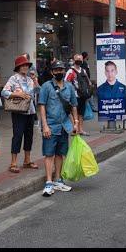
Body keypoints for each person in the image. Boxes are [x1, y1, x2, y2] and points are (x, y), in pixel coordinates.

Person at [37, 60, 79, 197]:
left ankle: (58, 180)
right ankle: (49, 182)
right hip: (50, 125)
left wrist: (76, 122)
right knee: (49, 154)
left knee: (60, 154)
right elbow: (42, 106)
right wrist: (45, 126)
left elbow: (73, 105)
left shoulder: (69, 87)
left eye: (61, 69)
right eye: (56, 70)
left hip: (64, 126)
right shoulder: (46, 87)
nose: (59, 72)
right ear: (52, 72)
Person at [2, 55, 39, 174]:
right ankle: (13, 162)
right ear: (18, 67)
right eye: (22, 65)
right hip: (18, 111)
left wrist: (35, 80)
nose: (25, 67)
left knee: (29, 135)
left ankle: (27, 160)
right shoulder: (14, 78)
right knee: (17, 135)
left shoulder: (30, 79)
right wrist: (18, 95)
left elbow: (38, 91)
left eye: (27, 65)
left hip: (31, 111)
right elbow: (4, 92)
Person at [65, 53, 92, 136]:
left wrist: (89, 93)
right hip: (74, 96)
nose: (79, 61)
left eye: (80, 59)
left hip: (83, 96)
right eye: (77, 59)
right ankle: (75, 129)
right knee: (74, 113)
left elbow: (89, 82)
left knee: (81, 114)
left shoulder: (83, 70)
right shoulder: (71, 71)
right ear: (73, 60)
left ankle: (80, 130)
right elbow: (66, 83)